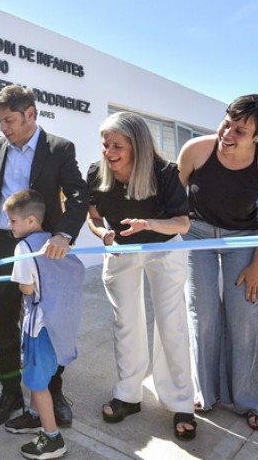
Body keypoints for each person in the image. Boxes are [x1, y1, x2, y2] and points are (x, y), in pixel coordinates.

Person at [0, 84, 88, 427]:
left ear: (30, 114)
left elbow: (79, 195)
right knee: (5, 319)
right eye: (0, 121)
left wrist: (64, 234)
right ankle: (9, 394)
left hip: (46, 247)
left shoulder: (59, 149)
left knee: (49, 321)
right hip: (4, 245)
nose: (3, 127)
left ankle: (53, 390)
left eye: (9, 120)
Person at [177, 94, 258, 432]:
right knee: (203, 312)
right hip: (196, 235)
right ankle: (204, 391)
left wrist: (257, 266)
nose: (228, 134)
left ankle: (253, 400)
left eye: (240, 131)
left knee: (246, 314)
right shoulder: (195, 150)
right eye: (227, 123)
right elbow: (171, 199)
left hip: (243, 238)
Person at [86, 112, 196, 440]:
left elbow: (182, 223)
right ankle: (128, 395)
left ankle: (180, 402)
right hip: (121, 250)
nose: (109, 152)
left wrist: (149, 225)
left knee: (171, 323)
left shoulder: (164, 173)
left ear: (139, 146)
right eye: (106, 144)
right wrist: (104, 235)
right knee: (126, 322)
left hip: (164, 248)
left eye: (117, 145)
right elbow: (93, 218)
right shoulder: (97, 172)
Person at [1, 189, 84, 460]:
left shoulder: (23, 248)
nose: (9, 226)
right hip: (55, 322)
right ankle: (35, 417)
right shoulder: (53, 242)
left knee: (37, 383)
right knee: (43, 375)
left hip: (38, 325)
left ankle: (52, 438)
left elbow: (26, 289)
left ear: (31, 221)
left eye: (13, 221)